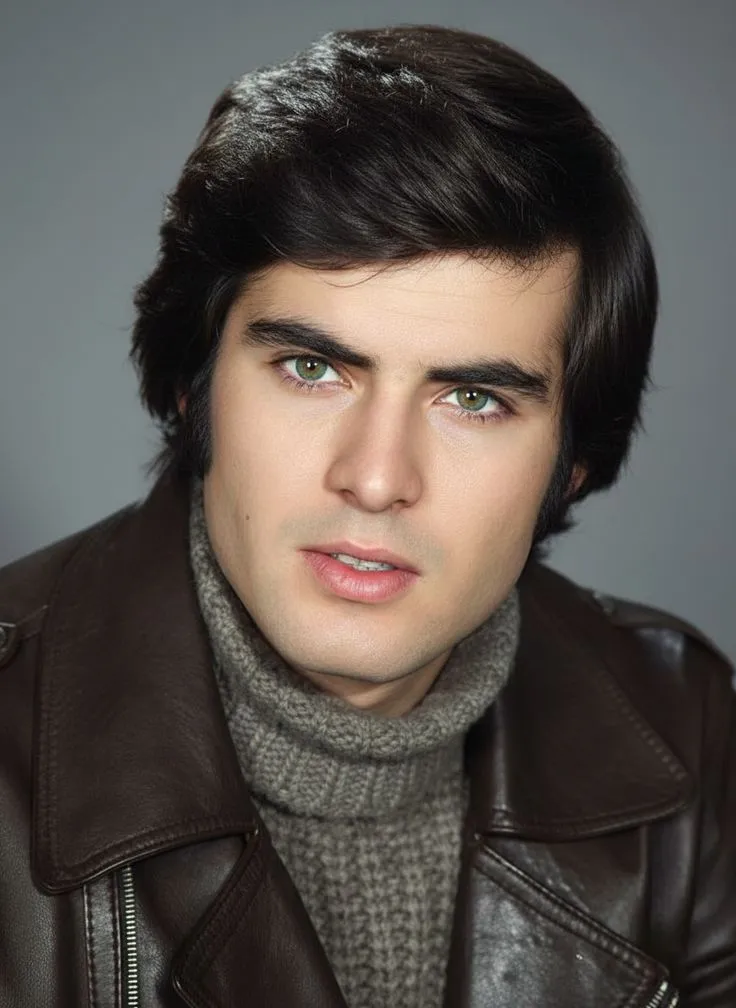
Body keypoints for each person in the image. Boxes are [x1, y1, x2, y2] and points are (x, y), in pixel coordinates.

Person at [0, 23, 733, 1008]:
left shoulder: (684, 727)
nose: (377, 479)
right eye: (312, 369)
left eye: (473, 398)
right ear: (191, 384)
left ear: (573, 462)